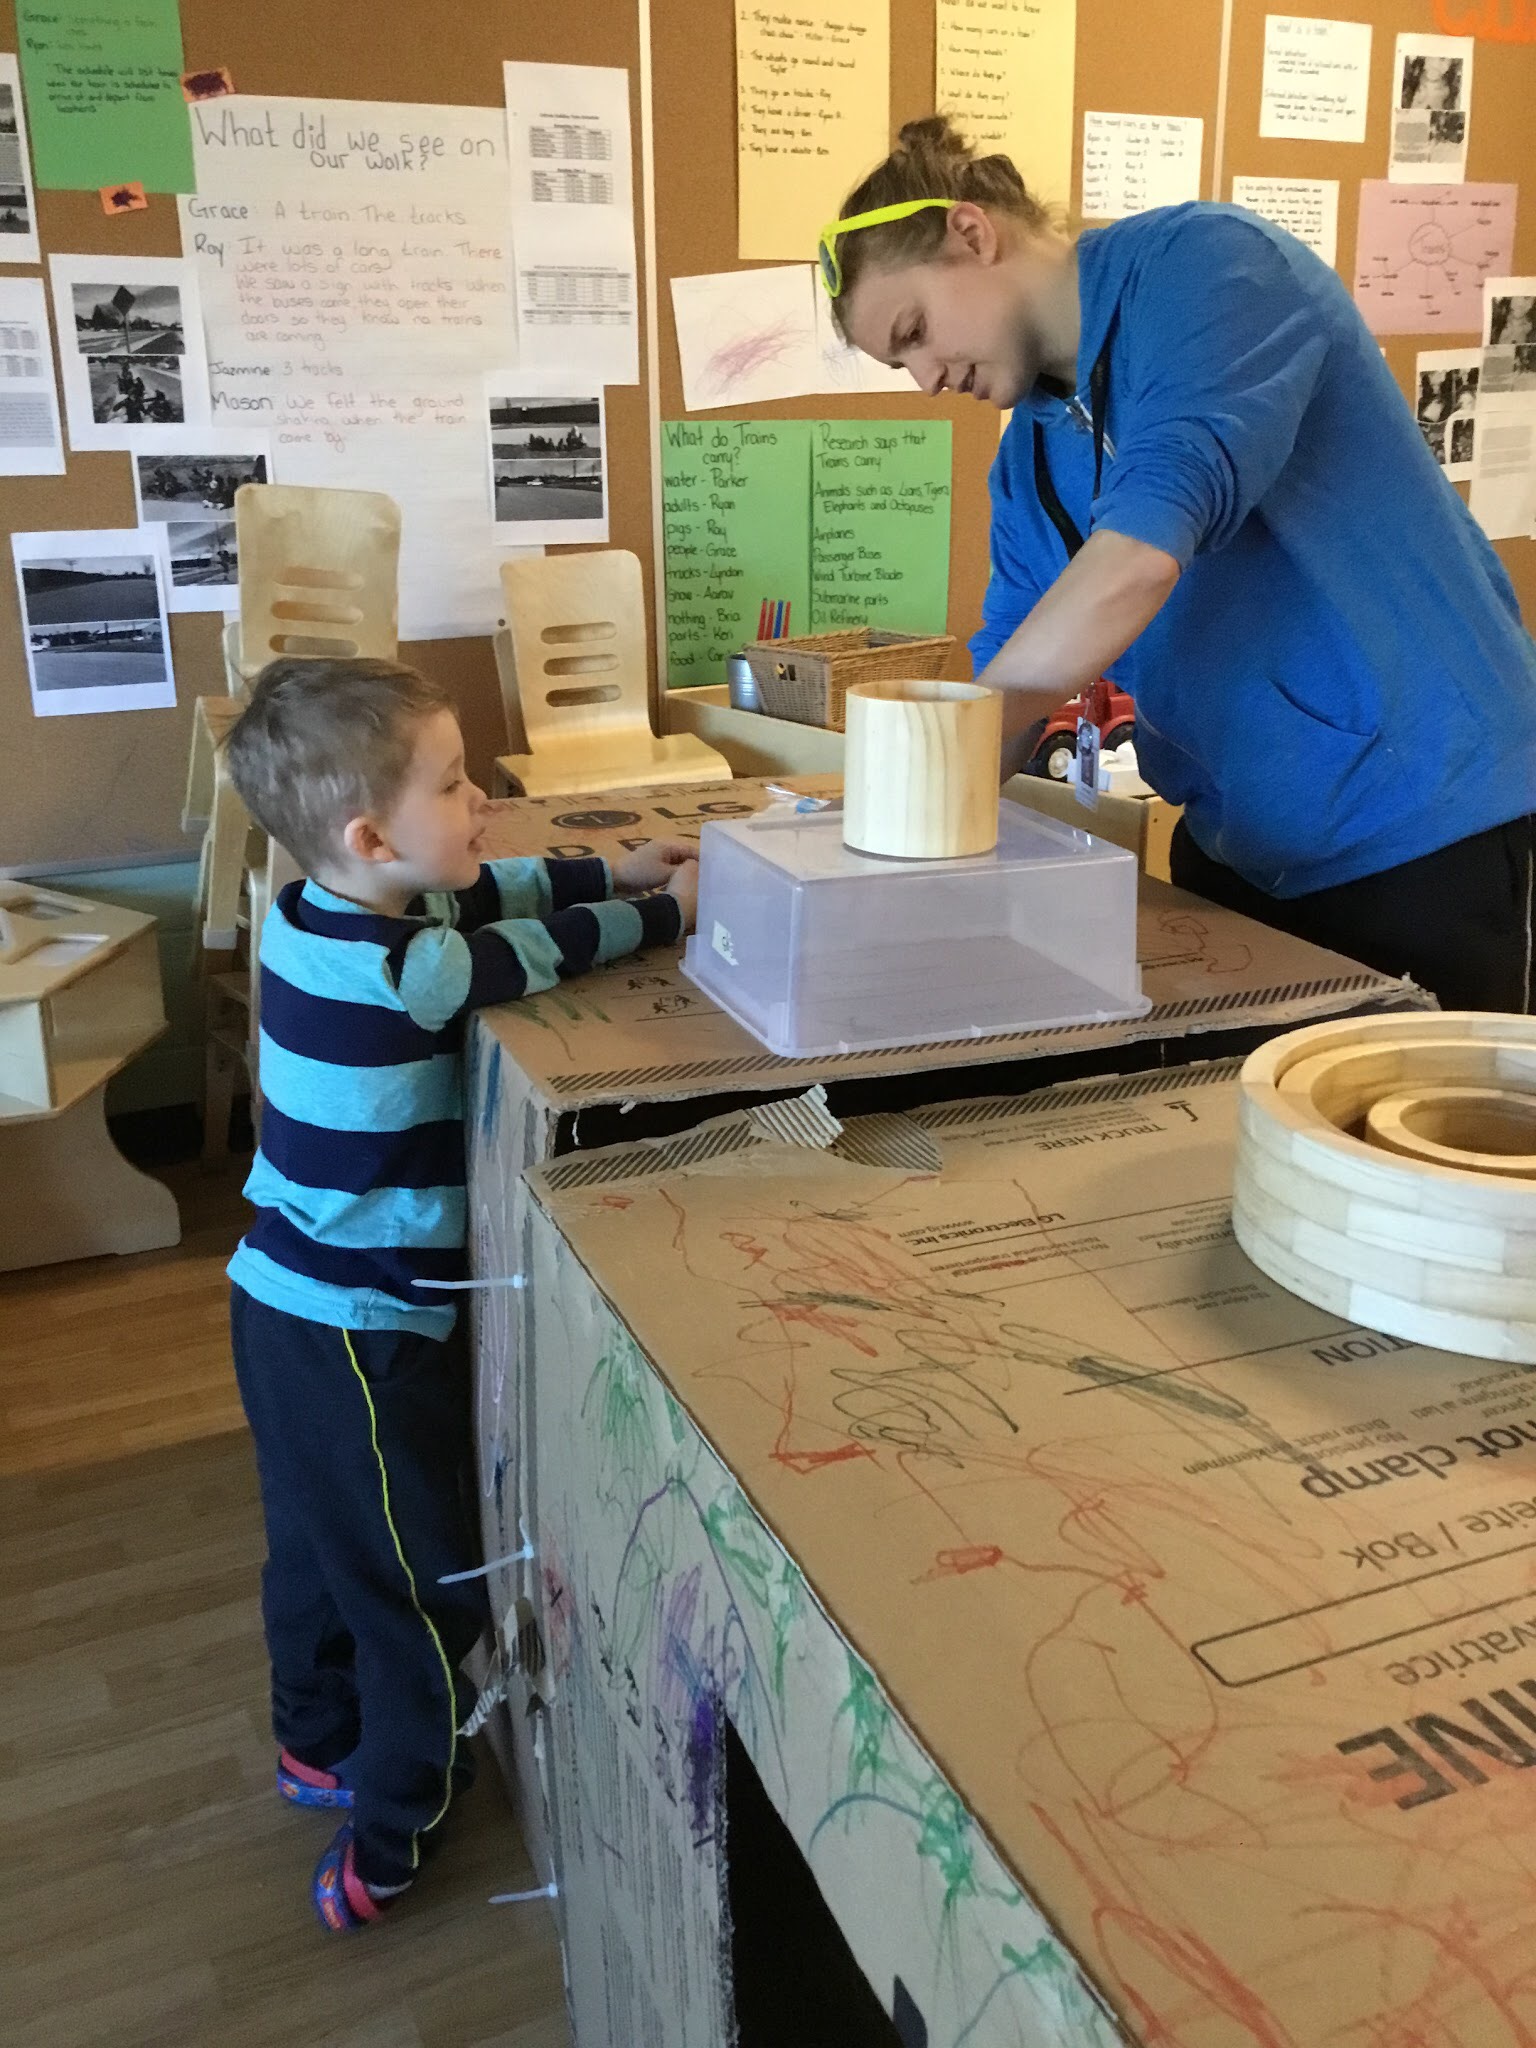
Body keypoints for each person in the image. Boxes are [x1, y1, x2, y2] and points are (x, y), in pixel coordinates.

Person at [824, 118, 1536, 1010]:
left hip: (1415, 821)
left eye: (916, 329)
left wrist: (935, 757)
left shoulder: (1210, 271)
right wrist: (862, 832)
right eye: (900, 362)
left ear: (972, 233)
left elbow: (1139, 558)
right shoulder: (1031, 457)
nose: (925, 377)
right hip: (1238, 840)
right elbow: (1011, 679)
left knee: (1396, 1139)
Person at [221, 658, 699, 1931]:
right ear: (375, 835)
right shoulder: (413, 972)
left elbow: (492, 888)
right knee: (421, 1591)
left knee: (317, 1549)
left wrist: (621, 862)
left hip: (276, 1298)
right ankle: (396, 1832)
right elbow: (527, 947)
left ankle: (313, 1741)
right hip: (368, 1331)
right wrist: (664, 914)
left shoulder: (311, 909)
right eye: (453, 781)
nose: (482, 796)